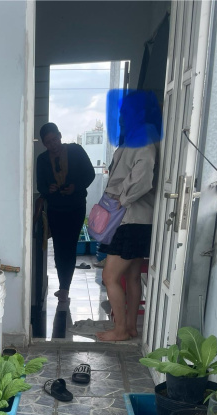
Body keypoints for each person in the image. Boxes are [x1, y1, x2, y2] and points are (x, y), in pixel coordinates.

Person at [97, 92, 161, 342]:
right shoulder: (142, 136)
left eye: (126, 112)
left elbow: (143, 179)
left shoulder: (143, 138)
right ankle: (131, 327)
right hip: (139, 219)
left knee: (109, 276)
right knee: (132, 276)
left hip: (130, 219)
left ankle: (121, 329)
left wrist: (121, 200)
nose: (122, 117)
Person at [36, 123, 96, 302]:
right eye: (48, 142)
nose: (53, 144)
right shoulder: (42, 159)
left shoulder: (76, 151)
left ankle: (65, 288)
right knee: (59, 247)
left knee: (69, 246)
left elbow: (90, 174)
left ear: (60, 135)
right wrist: (49, 189)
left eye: (55, 139)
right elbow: (40, 185)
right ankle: (63, 286)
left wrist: (75, 187)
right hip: (55, 209)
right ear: (44, 143)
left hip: (76, 207)